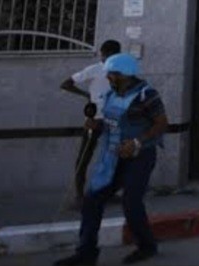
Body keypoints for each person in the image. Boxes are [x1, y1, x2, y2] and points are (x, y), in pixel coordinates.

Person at [55, 54, 169, 266]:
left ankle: (146, 246)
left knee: (131, 202)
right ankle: (86, 253)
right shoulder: (110, 95)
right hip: (113, 156)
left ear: (126, 74)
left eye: (113, 74)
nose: (109, 78)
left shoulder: (146, 95)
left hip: (139, 156)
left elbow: (161, 123)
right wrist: (96, 125)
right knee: (92, 200)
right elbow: (110, 122)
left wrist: (137, 142)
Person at [61, 40, 122, 204]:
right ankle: (79, 196)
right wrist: (86, 95)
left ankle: (107, 192)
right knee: (85, 157)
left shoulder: (119, 72)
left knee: (111, 157)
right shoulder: (95, 69)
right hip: (95, 120)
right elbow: (66, 84)